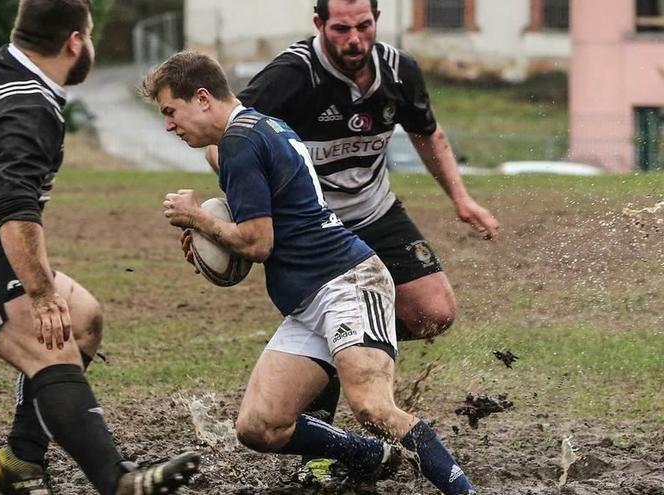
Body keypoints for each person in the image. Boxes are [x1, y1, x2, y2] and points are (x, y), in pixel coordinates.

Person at [0, 1, 200, 494]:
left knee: (84, 320)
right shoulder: (28, 103)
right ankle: (117, 481)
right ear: (75, 41)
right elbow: (17, 212)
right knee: (51, 344)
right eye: (91, 35)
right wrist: (39, 293)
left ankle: (21, 458)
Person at [145, 50, 476, 495]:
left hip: (348, 282)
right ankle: (373, 455)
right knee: (259, 426)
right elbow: (259, 233)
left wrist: (197, 219)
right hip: (308, 302)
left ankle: (464, 490)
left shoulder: (239, 142)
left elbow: (257, 243)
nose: (169, 124)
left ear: (202, 98)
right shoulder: (259, 127)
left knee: (373, 407)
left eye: (170, 111)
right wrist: (214, 237)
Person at [204, 0, 501, 481]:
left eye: (364, 26)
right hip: (315, 225)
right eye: (341, 28)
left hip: (375, 209)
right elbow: (229, 137)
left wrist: (461, 198)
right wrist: (248, 203)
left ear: (376, 22)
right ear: (319, 24)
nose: (354, 39)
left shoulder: (398, 70)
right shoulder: (290, 75)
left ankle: (354, 349)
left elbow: (427, 133)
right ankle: (335, 395)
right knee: (325, 336)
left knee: (434, 312)